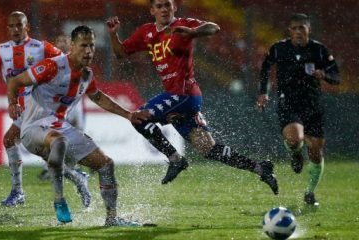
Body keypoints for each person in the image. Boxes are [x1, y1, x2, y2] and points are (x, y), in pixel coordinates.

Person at [106, 0, 279, 195]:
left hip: (184, 94)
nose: (164, 9)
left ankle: (176, 160)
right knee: (209, 149)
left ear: (174, 8)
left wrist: (193, 32)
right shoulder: (146, 32)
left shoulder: (183, 25)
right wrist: (113, 34)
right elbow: (120, 53)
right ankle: (260, 168)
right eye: (160, 6)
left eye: (168, 5)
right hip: (180, 100)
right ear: (152, 10)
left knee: (138, 118)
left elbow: (214, 27)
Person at [7, 25, 150, 225]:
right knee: (59, 142)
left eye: (92, 46)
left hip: (61, 128)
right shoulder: (52, 66)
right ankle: (59, 200)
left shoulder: (87, 75)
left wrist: (128, 114)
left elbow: (98, 97)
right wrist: (12, 104)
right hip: (33, 128)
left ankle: (112, 219)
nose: (89, 51)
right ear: (72, 46)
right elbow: (14, 82)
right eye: (83, 46)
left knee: (106, 164)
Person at [0, 11, 91, 208]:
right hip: (20, 107)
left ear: (27, 27)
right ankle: (77, 177)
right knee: (45, 155)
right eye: (12, 26)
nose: (15, 29)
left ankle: (18, 192)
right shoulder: (1, 51)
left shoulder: (40, 47)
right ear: (7, 28)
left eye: (19, 25)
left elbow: (65, 63)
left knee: (9, 140)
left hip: (38, 106)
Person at [256, 13, 340, 205]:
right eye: (294, 28)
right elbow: (266, 67)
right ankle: (295, 153)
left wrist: (324, 74)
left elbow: (336, 77)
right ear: (289, 31)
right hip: (288, 102)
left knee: (316, 152)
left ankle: (310, 192)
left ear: (308, 29)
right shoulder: (279, 48)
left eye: (302, 28)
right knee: (295, 139)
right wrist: (263, 92)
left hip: (313, 104)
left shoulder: (319, 50)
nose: (298, 32)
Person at [38, 34, 87, 181]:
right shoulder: (51, 62)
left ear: (71, 44)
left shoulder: (77, 60)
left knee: (78, 134)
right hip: (55, 106)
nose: (61, 44)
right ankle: (49, 168)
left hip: (73, 105)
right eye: (59, 41)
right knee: (51, 135)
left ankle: (75, 166)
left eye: (64, 41)